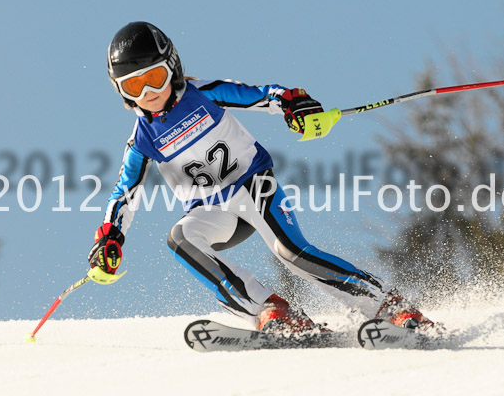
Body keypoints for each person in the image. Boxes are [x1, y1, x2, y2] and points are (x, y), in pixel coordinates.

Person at [88, 21, 434, 332]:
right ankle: (273, 311)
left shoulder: (203, 94)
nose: (148, 94)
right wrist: (110, 237)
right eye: (134, 86)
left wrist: (293, 104)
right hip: (212, 211)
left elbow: (263, 94)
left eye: (154, 78)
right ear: (121, 91)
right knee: (181, 239)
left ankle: (389, 305)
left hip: (253, 186)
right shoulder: (142, 141)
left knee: (291, 253)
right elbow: (124, 193)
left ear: (173, 68)